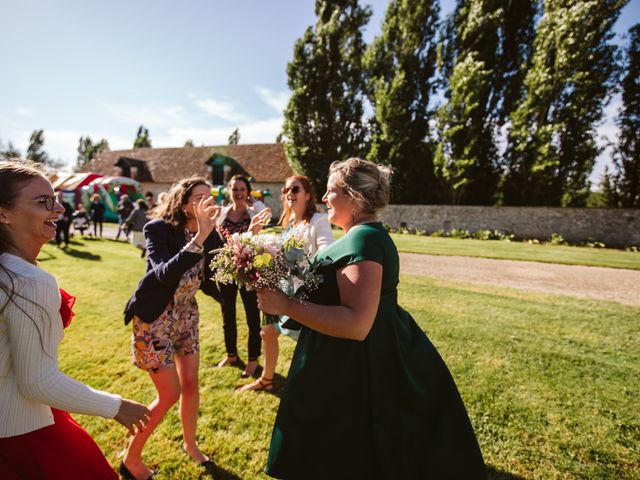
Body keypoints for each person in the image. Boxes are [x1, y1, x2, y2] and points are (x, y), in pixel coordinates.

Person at [256, 158, 486, 479]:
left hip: (356, 365)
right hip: (344, 357)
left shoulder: (364, 240)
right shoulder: (359, 235)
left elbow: (357, 323)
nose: (324, 198)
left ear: (354, 197)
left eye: (330, 191)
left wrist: (287, 306)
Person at [0, 160, 151, 479]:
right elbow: (37, 381)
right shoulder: (26, 281)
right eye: (44, 202)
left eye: (56, 200)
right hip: (22, 435)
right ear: (4, 213)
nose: (59, 209)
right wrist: (117, 406)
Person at [121, 177, 225, 480]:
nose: (207, 202)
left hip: (186, 318)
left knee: (191, 386)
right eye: (198, 197)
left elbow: (210, 281)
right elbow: (162, 274)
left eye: (210, 196)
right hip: (155, 320)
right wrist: (199, 239)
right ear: (182, 203)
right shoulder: (158, 229)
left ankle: (191, 446)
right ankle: (131, 459)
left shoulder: (211, 234)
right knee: (169, 394)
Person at [238, 175, 332, 393]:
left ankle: (315, 386)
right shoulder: (288, 222)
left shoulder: (319, 220)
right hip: (281, 288)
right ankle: (267, 379)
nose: (289, 193)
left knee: (306, 342)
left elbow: (326, 250)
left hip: (305, 292)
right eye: (286, 190)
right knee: (267, 332)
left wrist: (305, 266)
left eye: (295, 189)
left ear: (308, 195)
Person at [215, 175, 272, 378]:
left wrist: (253, 201)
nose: (238, 193)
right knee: (227, 315)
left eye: (242, 189)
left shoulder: (254, 212)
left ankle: (253, 361)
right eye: (234, 189)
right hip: (226, 272)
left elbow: (266, 214)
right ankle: (231, 355)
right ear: (228, 191)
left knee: (252, 318)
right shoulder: (221, 214)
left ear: (247, 192)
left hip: (248, 272)